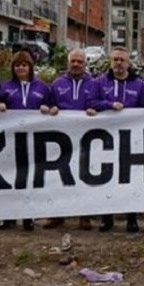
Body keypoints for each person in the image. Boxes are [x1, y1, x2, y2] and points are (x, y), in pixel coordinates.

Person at [87, 46, 144, 232]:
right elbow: (90, 103)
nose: (118, 63)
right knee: (108, 178)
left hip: (131, 139)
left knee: (130, 179)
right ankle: (107, 217)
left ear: (128, 63)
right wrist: (108, 105)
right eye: (115, 60)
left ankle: (131, 217)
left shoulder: (139, 85)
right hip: (106, 139)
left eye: (122, 60)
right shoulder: (100, 82)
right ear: (110, 62)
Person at [0, 51, 52, 231]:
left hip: (34, 141)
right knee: (9, 177)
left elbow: (53, 106)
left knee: (29, 178)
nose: (21, 68)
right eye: (17, 65)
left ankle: (28, 215)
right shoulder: (6, 87)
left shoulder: (42, 87)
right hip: (11, 140)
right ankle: (8, 216)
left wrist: (48, 108)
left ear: (30, 67)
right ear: (13, 68)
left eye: (24, 65)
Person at [42, 48, 96, 231]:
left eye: (80, 62)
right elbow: (49, 103)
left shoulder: (94, 84)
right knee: (59, 176)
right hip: (62, 138)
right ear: (68, 63)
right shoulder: (57, 84)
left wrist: (95, 110)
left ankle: (85, 215)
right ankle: (57, 214)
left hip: (86, 139)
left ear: (85, 64)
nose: (76, 65)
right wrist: (50, 108)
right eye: (73, 61)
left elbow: (98, 103)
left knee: (84, 175)